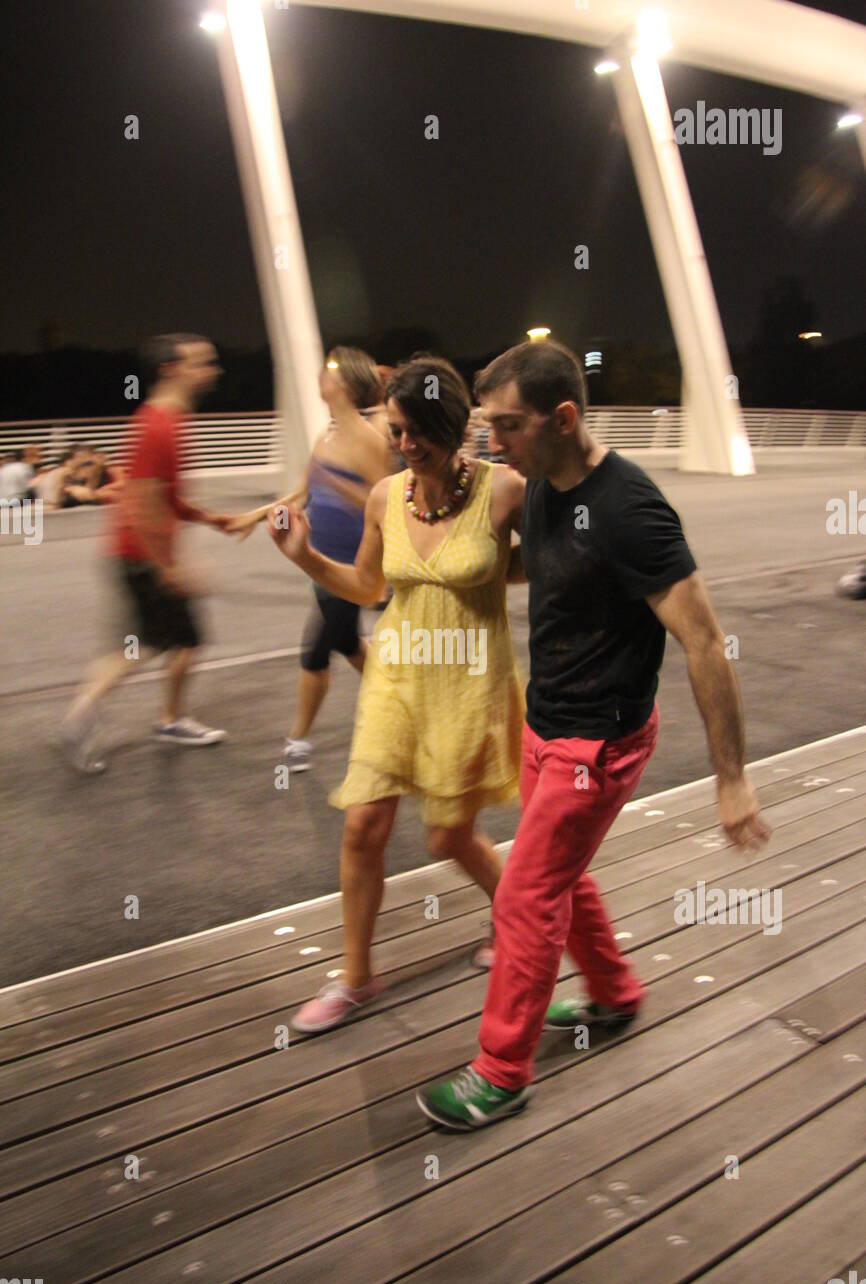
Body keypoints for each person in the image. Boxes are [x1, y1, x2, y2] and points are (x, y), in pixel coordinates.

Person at [417, 339, 771, 1130]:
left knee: (525, 894)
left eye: (507, 427)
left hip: (599, 744)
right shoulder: (542, 484)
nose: (494, 444)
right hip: (546, 725)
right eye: (487, 427)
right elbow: (543, 570)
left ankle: (501, 1072)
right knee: (561, 878)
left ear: (564, 417)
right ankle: (614, 995)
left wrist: (731, 777)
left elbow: (705, 641)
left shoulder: (630, 508)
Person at [266, 354, 527, 1028]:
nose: (404, 446)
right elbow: (367, 588)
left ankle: (518, 920)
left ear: (452, 425)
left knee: (448, 835)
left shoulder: (505, 491)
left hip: (470, 680)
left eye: (415, 431)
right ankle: (356, 976)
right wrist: (304, 558)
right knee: (363, 825)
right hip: (399, 675)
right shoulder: (387, 495)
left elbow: (549, 568)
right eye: (395, 431)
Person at [58, 333, 236, 774]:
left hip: (136, 555)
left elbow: (166, 497)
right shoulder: (158, 426)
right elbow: (140, 503)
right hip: (143, 557)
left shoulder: (169, 420)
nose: (211, 370)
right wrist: (169, 567)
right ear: (171, 370)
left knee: (170, 642)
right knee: (148, 646)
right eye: (202, 363)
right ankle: (85, 717)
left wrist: (209, 518)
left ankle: (162, 718)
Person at [225, 347, 395, 770]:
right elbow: (302, 493)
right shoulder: (326, 435)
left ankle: (299, 739)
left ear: (348, 385)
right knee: (343, 642)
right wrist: (254, 515)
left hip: (354, 567)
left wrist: (343, 488)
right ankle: (402, 698)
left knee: (316, 650)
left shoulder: (372, 441)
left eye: (332, 372)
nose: (323, 376)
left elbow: (388, 504)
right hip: (318, 560)